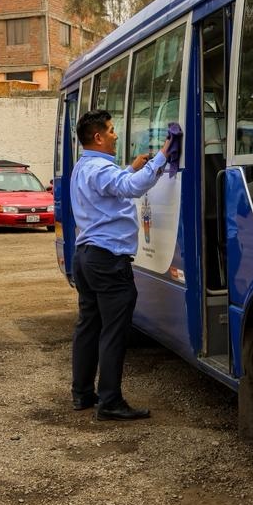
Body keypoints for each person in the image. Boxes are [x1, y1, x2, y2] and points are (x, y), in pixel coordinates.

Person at [69, 108, 174, 421]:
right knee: (114, 331)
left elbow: (113, 187)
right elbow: (130, 188)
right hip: (107, 260)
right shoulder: (101, 168)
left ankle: (82, 394)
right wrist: (163, 156)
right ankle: (110, 401)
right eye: (112, 130)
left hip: (86, 258)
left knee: (89, 326)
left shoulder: (84, 167)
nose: (115, 135)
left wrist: (131, 167)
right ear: (99, 137)